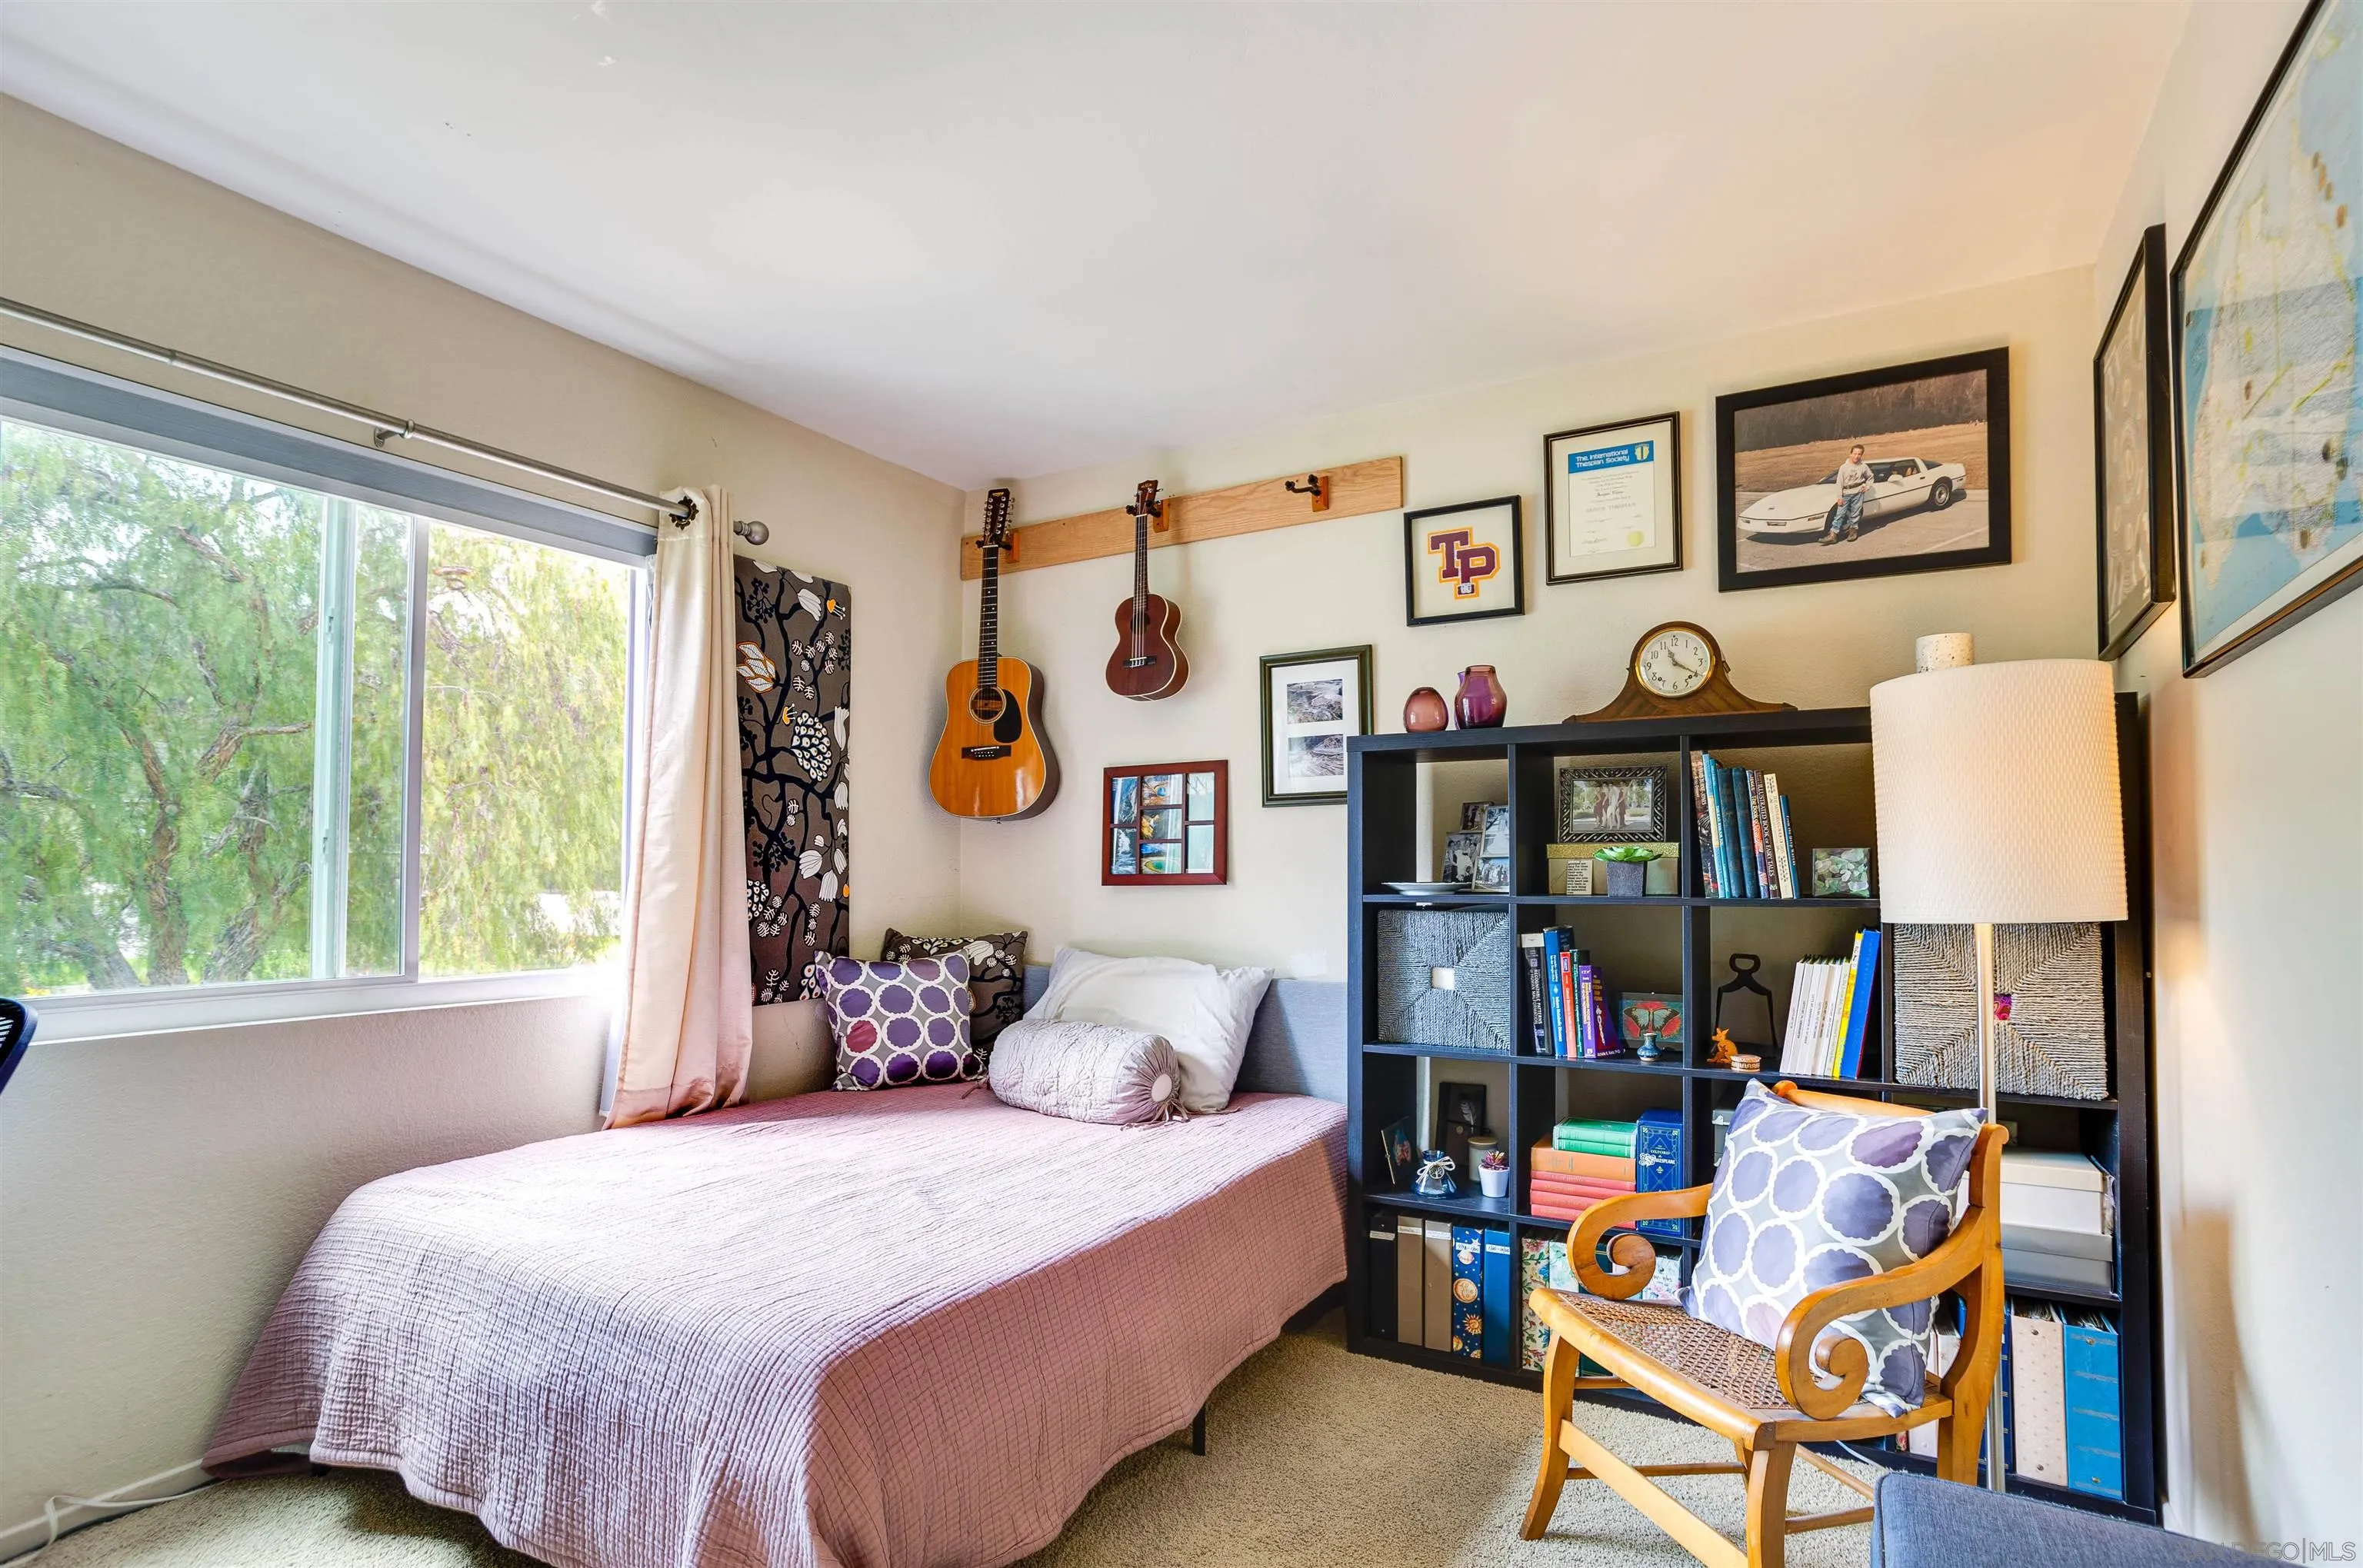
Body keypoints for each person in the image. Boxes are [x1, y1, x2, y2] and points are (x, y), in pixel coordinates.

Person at [1826, 442, 1874, 544]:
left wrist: (1867, 486)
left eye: (1859, 454)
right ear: (1850, 454)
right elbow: (1839, 483)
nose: (1857, 456)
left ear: (1862, 455)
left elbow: (1870, 477)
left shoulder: (1863, 467)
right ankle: (1833, 535)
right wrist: (1840, 497)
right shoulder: (1844, 467)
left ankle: (1853, 531)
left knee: (1856, 512)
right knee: (1840, 514)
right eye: (1855, 454)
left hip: (1858, 492)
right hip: (1846, 493)